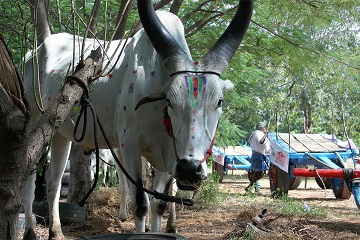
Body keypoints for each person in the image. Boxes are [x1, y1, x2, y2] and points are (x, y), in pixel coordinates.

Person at [245, 122, 270, 193]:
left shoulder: (254, 134)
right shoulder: (259, 134)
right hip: (258, 155)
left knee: (256, 173)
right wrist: (266, 135)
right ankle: (250, 186)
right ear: (262, 128)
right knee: (260, 174)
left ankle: (254, 189)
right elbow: (261, 141)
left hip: (255, 154)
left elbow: (249, 142)